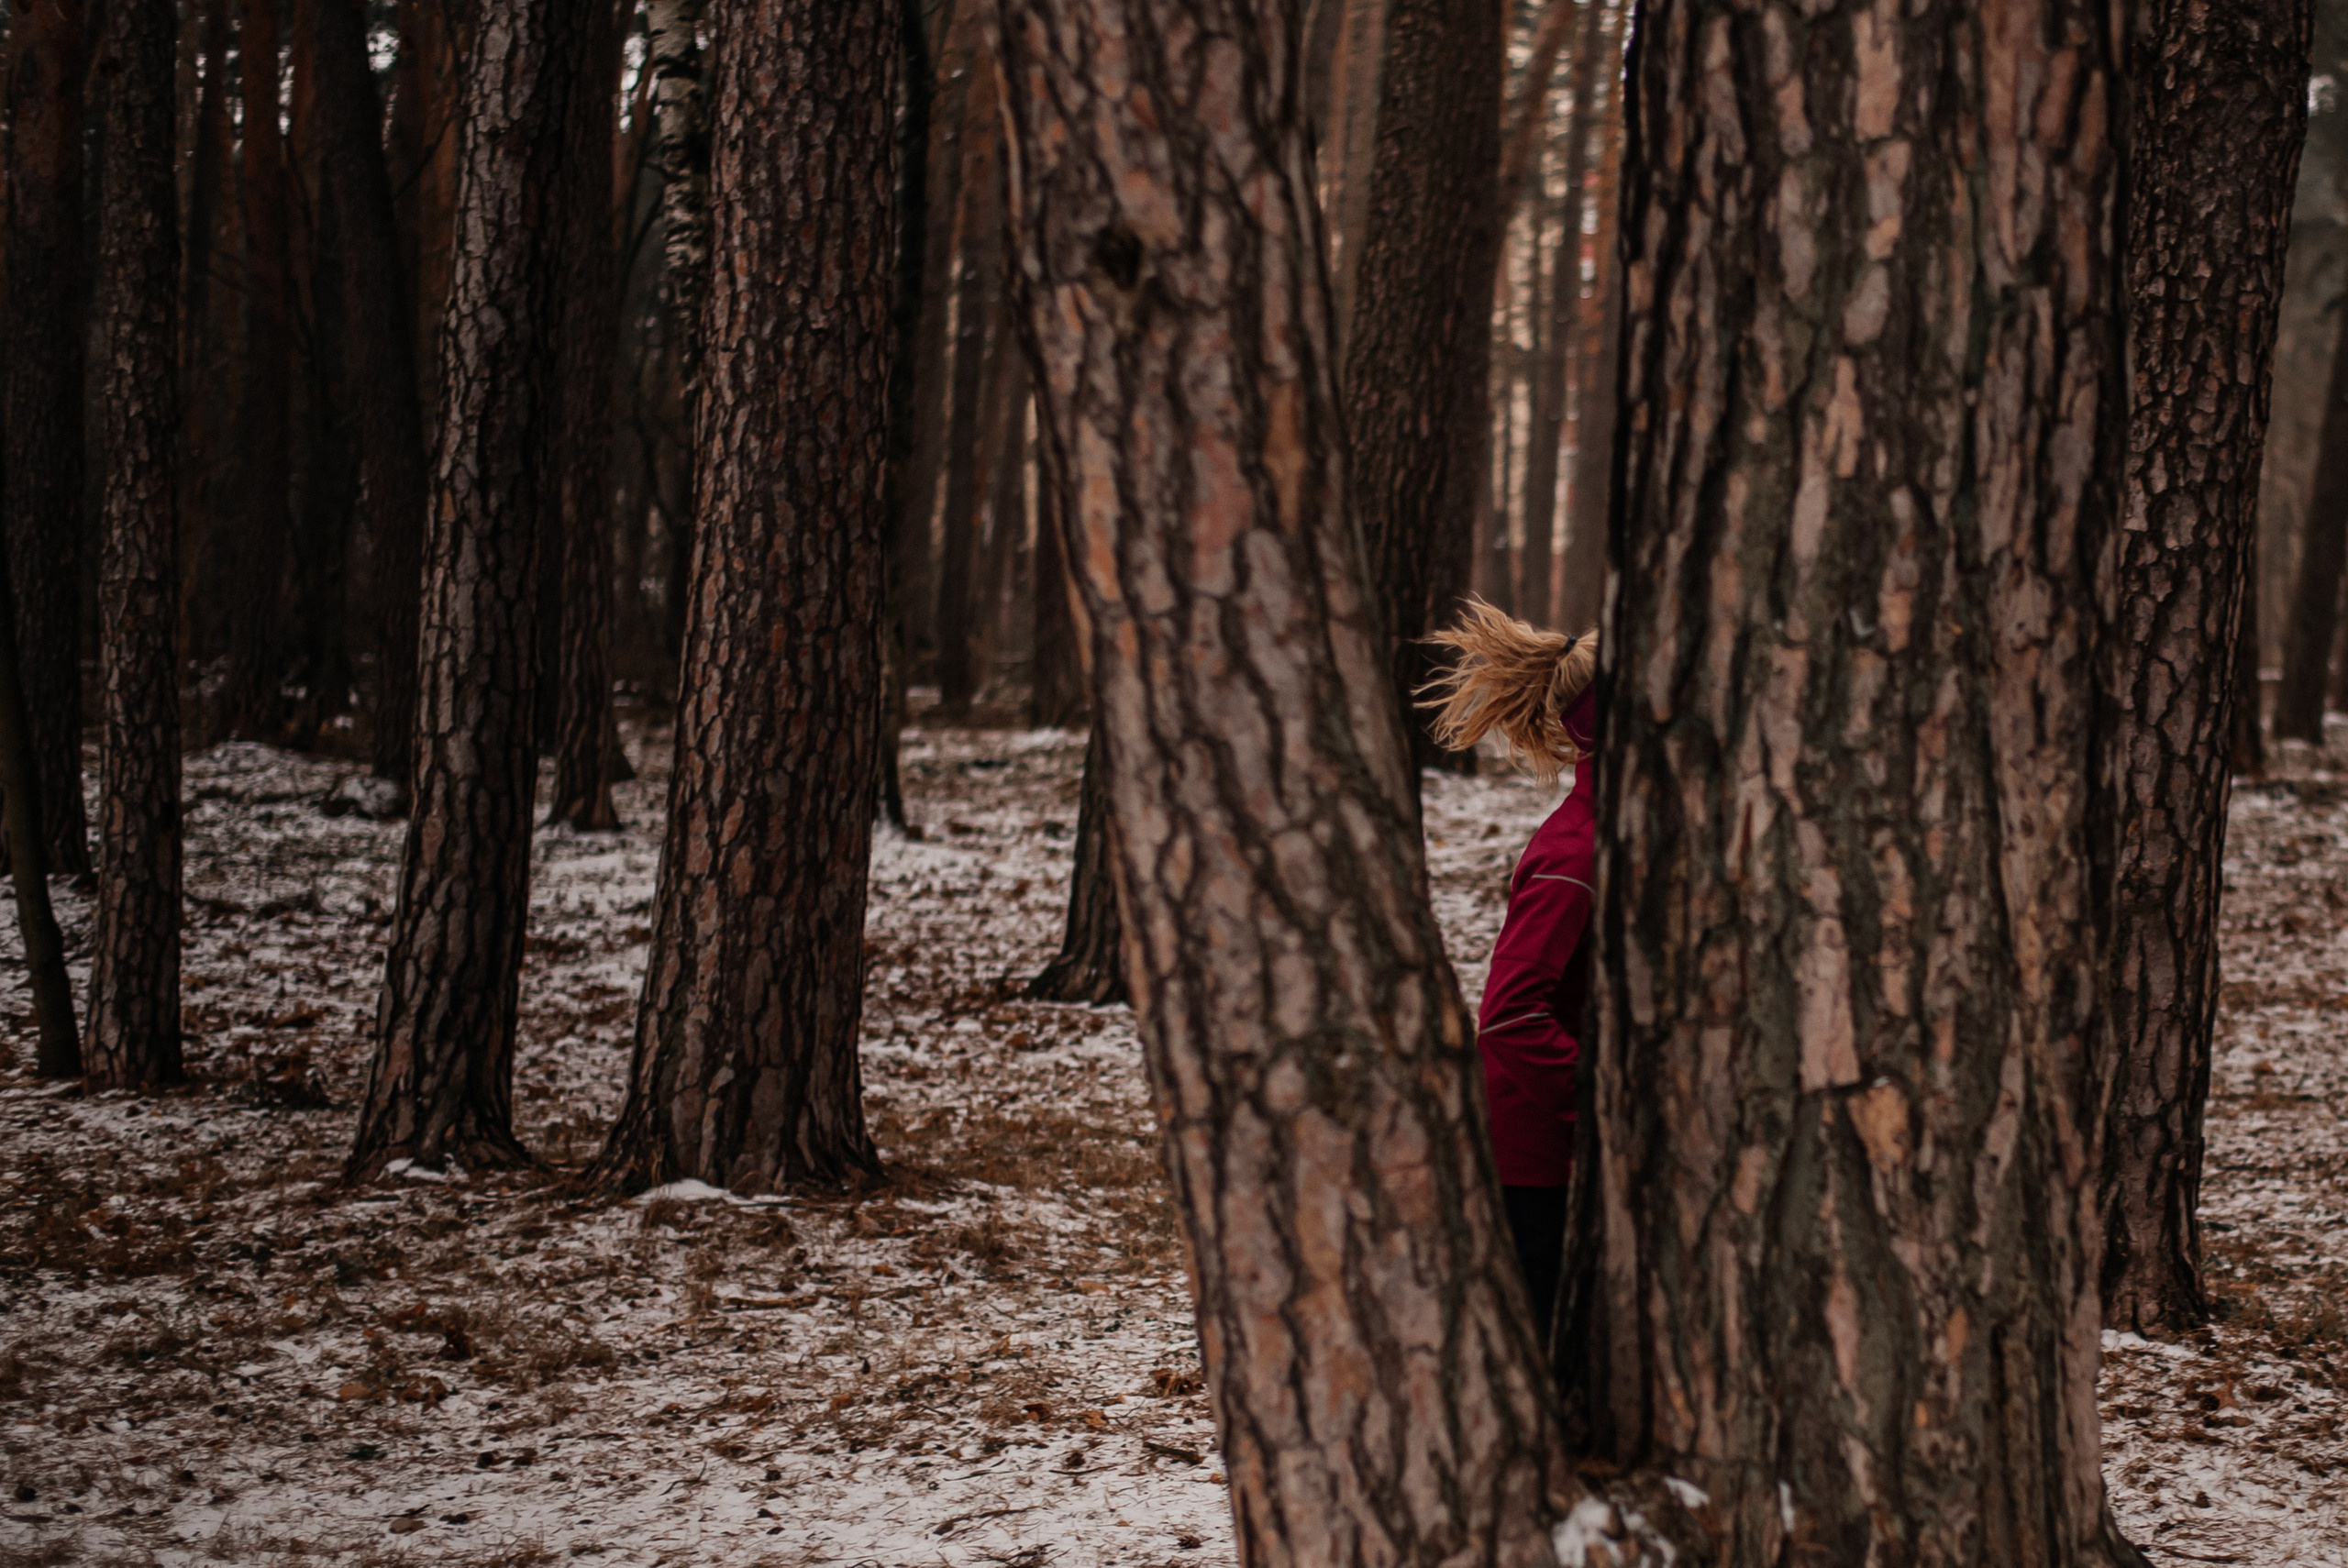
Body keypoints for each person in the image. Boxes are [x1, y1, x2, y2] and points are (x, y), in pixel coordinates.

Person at [1421, 599, 1599, 1349]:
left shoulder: (1605, 837)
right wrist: (1599, 1109)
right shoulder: (1577, 854)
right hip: (1536, 1168)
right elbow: (1511, 1015)